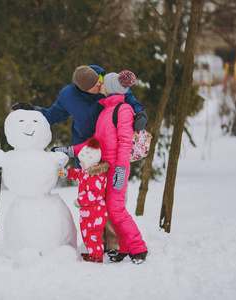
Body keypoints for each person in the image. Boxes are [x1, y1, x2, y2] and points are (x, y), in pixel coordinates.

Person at [12, 65, 147, 257]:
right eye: (92, 87)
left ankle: (114, 243)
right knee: (93, 201)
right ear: (80, 89)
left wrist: (141, 114)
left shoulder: (109, 83)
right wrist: (33, 111)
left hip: (114, 154)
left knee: (114, 202)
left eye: (98, 83)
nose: (97, 88)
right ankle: (96, 243)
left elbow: (130, 101)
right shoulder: (69, 96)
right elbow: (53, 115)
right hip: (87, 155)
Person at [72, 70, 148, 264]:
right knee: (111, 209)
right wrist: (71, 150)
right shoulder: (105, 110)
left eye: (103, 83)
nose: (100, 85)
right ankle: (122, 248)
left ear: (112, 88)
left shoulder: (123, 109)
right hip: (105, 167)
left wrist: (121, 170)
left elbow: (125, 142)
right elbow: (96, 142)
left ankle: (138, 248)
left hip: (116, 168)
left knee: (116, 210)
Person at [58, 137, 110, 263]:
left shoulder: (95, 175)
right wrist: (66, 173)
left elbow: (93, 194)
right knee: (87, 233)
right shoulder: (87, 172)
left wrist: (79, 201)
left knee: (92, 234)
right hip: (89, 212)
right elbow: (77, 174)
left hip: (95, 212)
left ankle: (97, 256)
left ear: (89, 161)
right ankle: (93, 253)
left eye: (81, 162)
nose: (80, 164)